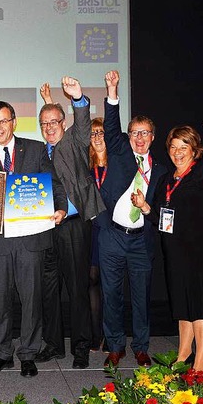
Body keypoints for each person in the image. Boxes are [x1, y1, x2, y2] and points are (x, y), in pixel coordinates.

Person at [0, 100, 68, 378]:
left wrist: (60, 207)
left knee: (31, 298)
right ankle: (2, 353)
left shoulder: (35, 149)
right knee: (0, 300)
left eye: (3, 121)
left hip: (31, 239)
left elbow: (55, 183)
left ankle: (28, 353)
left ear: (14, 122)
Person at [131, 110, 203, 370]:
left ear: (194, 149)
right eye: (174, 147)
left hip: (201, 251)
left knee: (201, 306)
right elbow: (159, 217)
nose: (178, 152)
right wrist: (144, 206)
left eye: (184, 147)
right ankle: (182, 355)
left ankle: (201, 360)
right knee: (183, 306)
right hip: (175, 253)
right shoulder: (167, 178)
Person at [33, 78, 105, 370]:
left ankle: (80, 349)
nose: (49, 128)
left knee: (77, 289)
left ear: (64, 123)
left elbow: (84, 124)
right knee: (48, 290)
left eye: (54, 122)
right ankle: (53, 345)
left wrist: (78, 99)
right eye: (44, 124)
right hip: (46, 230)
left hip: (74, 227)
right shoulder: (38, 152)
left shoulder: (74, 141)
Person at [98, 70, 168, 368]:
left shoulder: (163, 171)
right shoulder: (120, 153)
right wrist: (113, 91)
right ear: (129, 137)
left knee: (141, 297)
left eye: (145, 133)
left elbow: (165, 213)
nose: (139, 138)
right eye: (135, 133)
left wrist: (149, 209)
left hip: (141, 241)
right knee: (111, 294)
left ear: (153, 137)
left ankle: (140, 347)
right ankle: (115, 346)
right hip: (112, 237)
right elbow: (111, 127)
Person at [88, 116, 108, 352]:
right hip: (90, 230)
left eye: (101, 132)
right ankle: (96, 334)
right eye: (93, 133)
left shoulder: (119, 164)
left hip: (112, 230)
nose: (97, 137)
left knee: (110, 284)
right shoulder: (84, 166)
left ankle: (111, 334)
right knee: (92, 282)